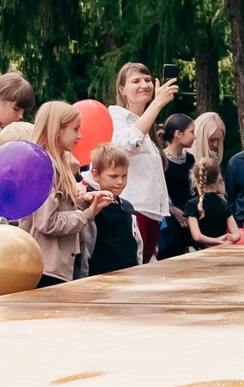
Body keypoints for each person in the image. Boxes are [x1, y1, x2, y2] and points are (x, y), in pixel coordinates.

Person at [16, 101, 103, 284]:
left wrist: (83, 201)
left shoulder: (61, 165)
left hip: (61, 265)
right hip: (47, 269)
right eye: (75, 129)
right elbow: (47, 222)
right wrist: (86, 215)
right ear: (57, 130)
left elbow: (60, 208)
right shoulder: (42, 169)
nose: (79, 136)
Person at [108, 62, 178, 262]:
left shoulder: (148, 124)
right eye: (136, 81)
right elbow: (124, 145)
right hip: (133, 208)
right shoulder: (115, 115)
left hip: (153, 211)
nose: (144, 85)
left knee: (146, 267)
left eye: (148, 80)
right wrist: (157, 104)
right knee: (133, 267)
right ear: (122, 89)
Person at [83, 145, 143, 276]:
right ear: (96, 175)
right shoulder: (93, 207)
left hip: (129, 276)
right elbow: (86, 246)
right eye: (113, 176)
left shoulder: (128, 207)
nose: (120, 182)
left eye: (124, 176)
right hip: (101, 278)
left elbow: (137, 242)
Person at [159, 111, 197, 256]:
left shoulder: (190, 159)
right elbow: (159, 190)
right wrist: (173, 210)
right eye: (191, 132)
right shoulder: (161, 160)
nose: (194, 136)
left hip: (190, 219)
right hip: (170, 222)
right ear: (178, 134)